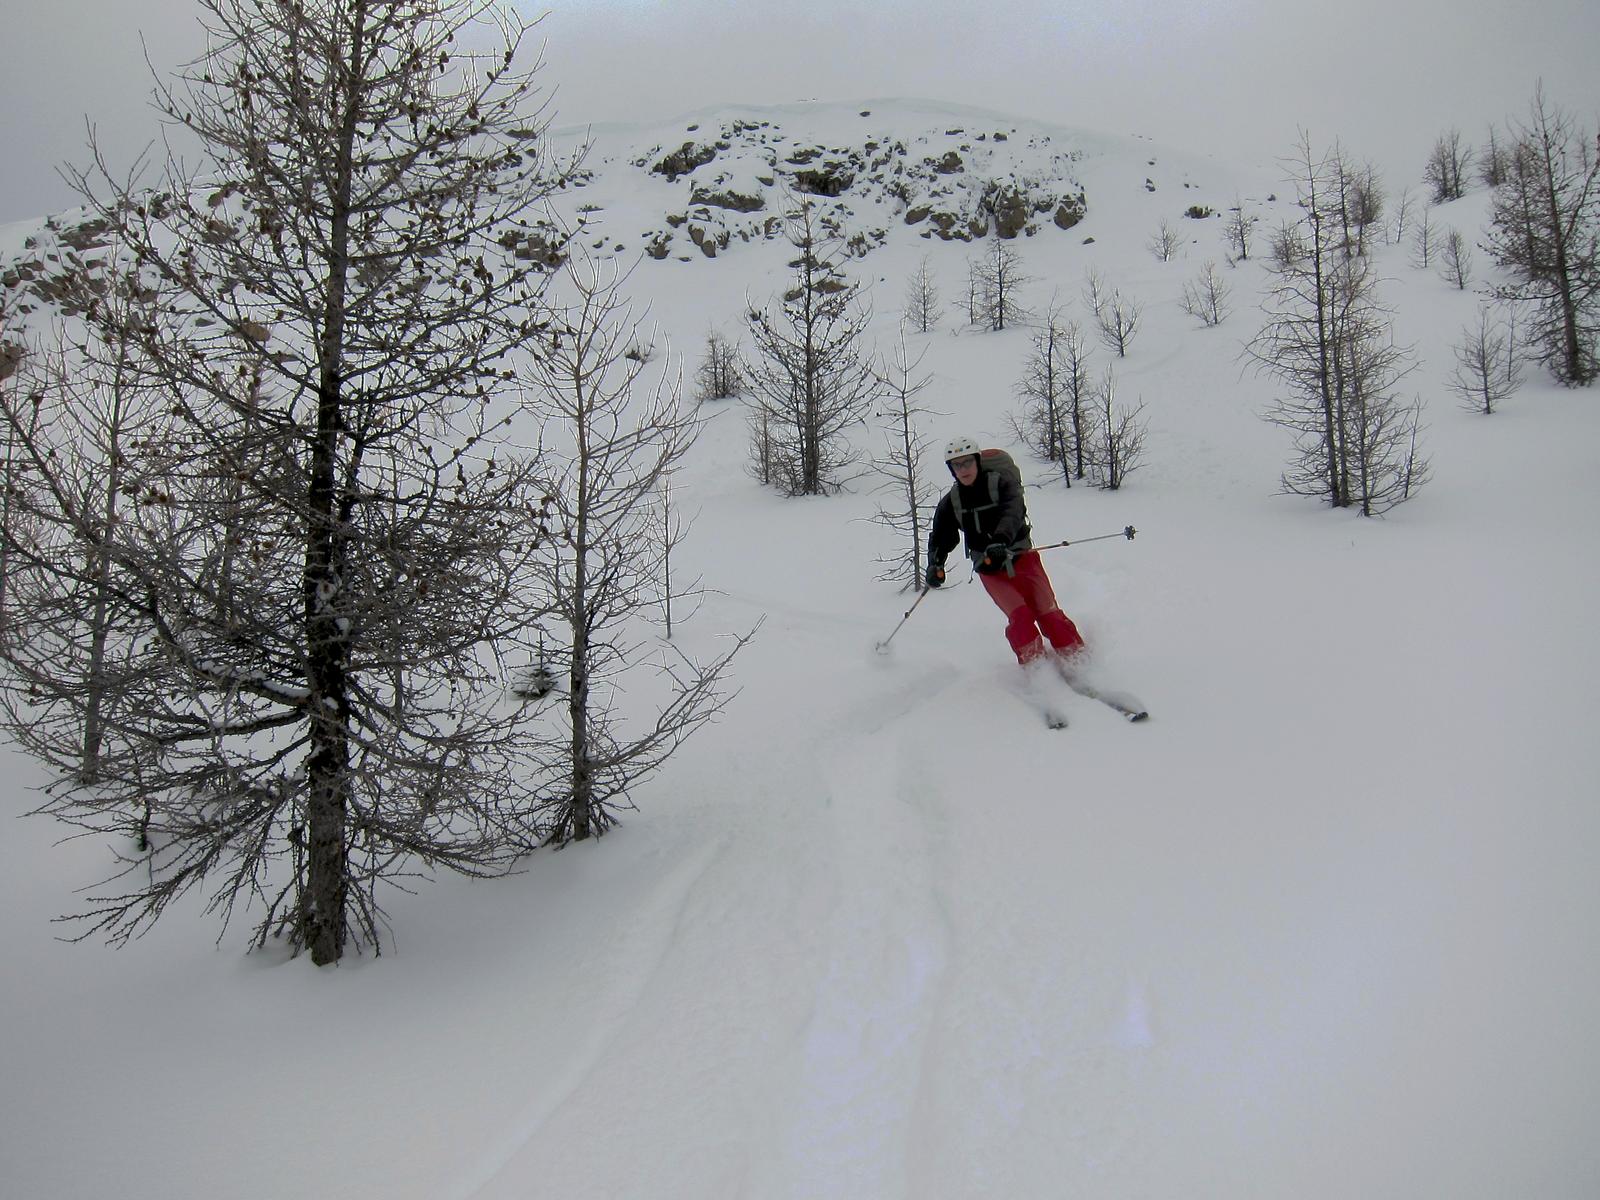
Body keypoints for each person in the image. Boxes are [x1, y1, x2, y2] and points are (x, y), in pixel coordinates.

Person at [925, 437, 1086, 666]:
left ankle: (1078, 660)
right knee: (1021, 618)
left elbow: (1013, 511)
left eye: (967, 462)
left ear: (977, 461)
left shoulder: (1001, 484)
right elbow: (942, 535)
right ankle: (1036, 668)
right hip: (990, 569)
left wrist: (1000, 540)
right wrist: (936, 563)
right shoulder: (952, 502)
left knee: (1049, 614)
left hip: (1023, 558)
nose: (963, 469)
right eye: (956, 465)